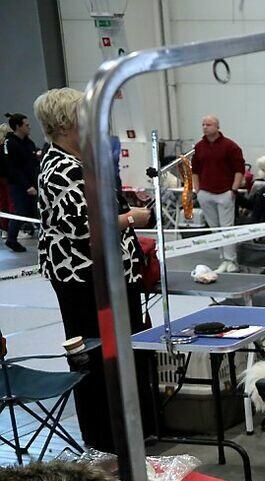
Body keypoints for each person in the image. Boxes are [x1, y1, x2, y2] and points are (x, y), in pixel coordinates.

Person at [34, 88, 153, 452]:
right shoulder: (61, 168)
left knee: (123, 353)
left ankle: (129, 432)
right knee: (98, 360)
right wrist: (132, 218)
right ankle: (105, 440)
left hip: (110, 276)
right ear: (65, 124)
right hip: (85, 281)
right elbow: (82, 227)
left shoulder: (81, 160)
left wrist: (126, 206)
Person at [191, 115, 245, 272]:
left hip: (225, 193)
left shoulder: (230, 146)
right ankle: (223, 259)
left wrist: (233, 190)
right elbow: (195, 170)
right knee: (214, 228)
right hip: (205, 193)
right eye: (203, 124)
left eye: (208, 124)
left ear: (217, 126)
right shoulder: (199, 147)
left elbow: (239, 169)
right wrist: (198, 190)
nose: (205, 127)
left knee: (227, 228)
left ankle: (231, 260)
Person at [4, 113, 40, 253]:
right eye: (26, 125)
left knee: (36, 211)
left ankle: (44, 237)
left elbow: (32, 161)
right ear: (18, 126)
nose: (29, 127)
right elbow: (13, 169)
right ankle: (11, 239)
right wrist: (27, 186)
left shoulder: (28, 143)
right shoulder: (10, 143)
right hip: (19, 185)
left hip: (32, 182)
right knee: (20, 212)